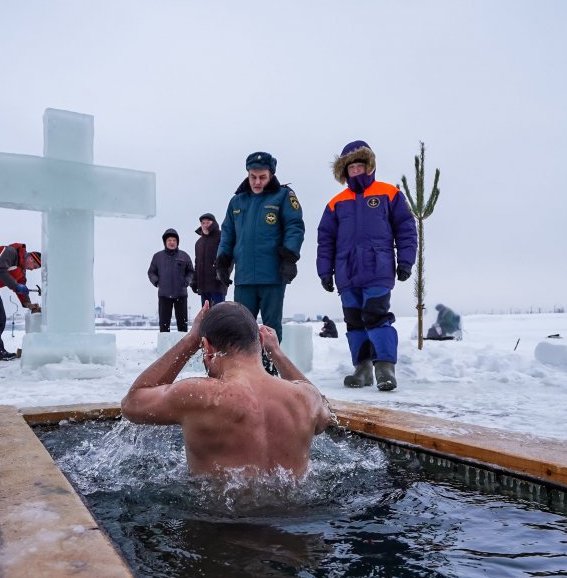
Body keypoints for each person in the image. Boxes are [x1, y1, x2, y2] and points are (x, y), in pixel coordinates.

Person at [121, 302, 332, 479]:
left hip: (217, 526)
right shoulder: (305, 397)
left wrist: (190, 341)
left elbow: (132, 403)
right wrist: (276, 353)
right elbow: (324, 415)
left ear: (207, 347)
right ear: (260, 341)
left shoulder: (199, 396)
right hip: (296, 526)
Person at [315, 140, 418, 391]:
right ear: (345, 171)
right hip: (347, 272)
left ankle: (385, 369)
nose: (356, 171)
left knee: (376, 317)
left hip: (378, 268)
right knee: (354, 321)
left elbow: (406, 229)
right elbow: (325, 239)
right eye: (351, 168)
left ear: (369, 166)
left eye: (360, 165)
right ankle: (362, 369)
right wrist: (324, 271)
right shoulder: (336, 203)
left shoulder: (389, 194)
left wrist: (405, 261)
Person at [215, 151, 305, 343]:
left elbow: (294, 226)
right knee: (240, 328)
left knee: (270, 329)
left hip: (272, 275)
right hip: (244, 277)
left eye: (262, 177)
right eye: (253, 177)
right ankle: (244, 371)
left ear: (271, 174)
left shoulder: (283, 196)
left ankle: (269, 370)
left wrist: (290, 257)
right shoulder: (237, 201)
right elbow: (228, 232)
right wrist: (222, 261)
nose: (257, 182)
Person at [148, 228, 195, 332]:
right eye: (169, 240)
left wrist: (186, 281)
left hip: (181, 295)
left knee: (182, 326)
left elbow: (191, 271)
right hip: (164, 295)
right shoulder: (157, 257)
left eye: (174, 240)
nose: (172, 242)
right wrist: (157, 282)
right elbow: (151, 272)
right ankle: (165, 347)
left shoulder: (184, 256)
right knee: (164, 326)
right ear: (165, 242)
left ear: (177, 242)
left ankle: (184, 347)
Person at [191, 213, 227, 307]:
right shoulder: (198, 243)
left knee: (218, 315)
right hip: (203, 287)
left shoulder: (222, 237)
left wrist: (223, 274)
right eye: (203, 223)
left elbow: (228, 258)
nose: (205, 225)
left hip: (217, 285)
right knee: (206, 317)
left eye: (208, 222)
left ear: (214, 223)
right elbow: (197, 264)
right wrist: (194, 281)